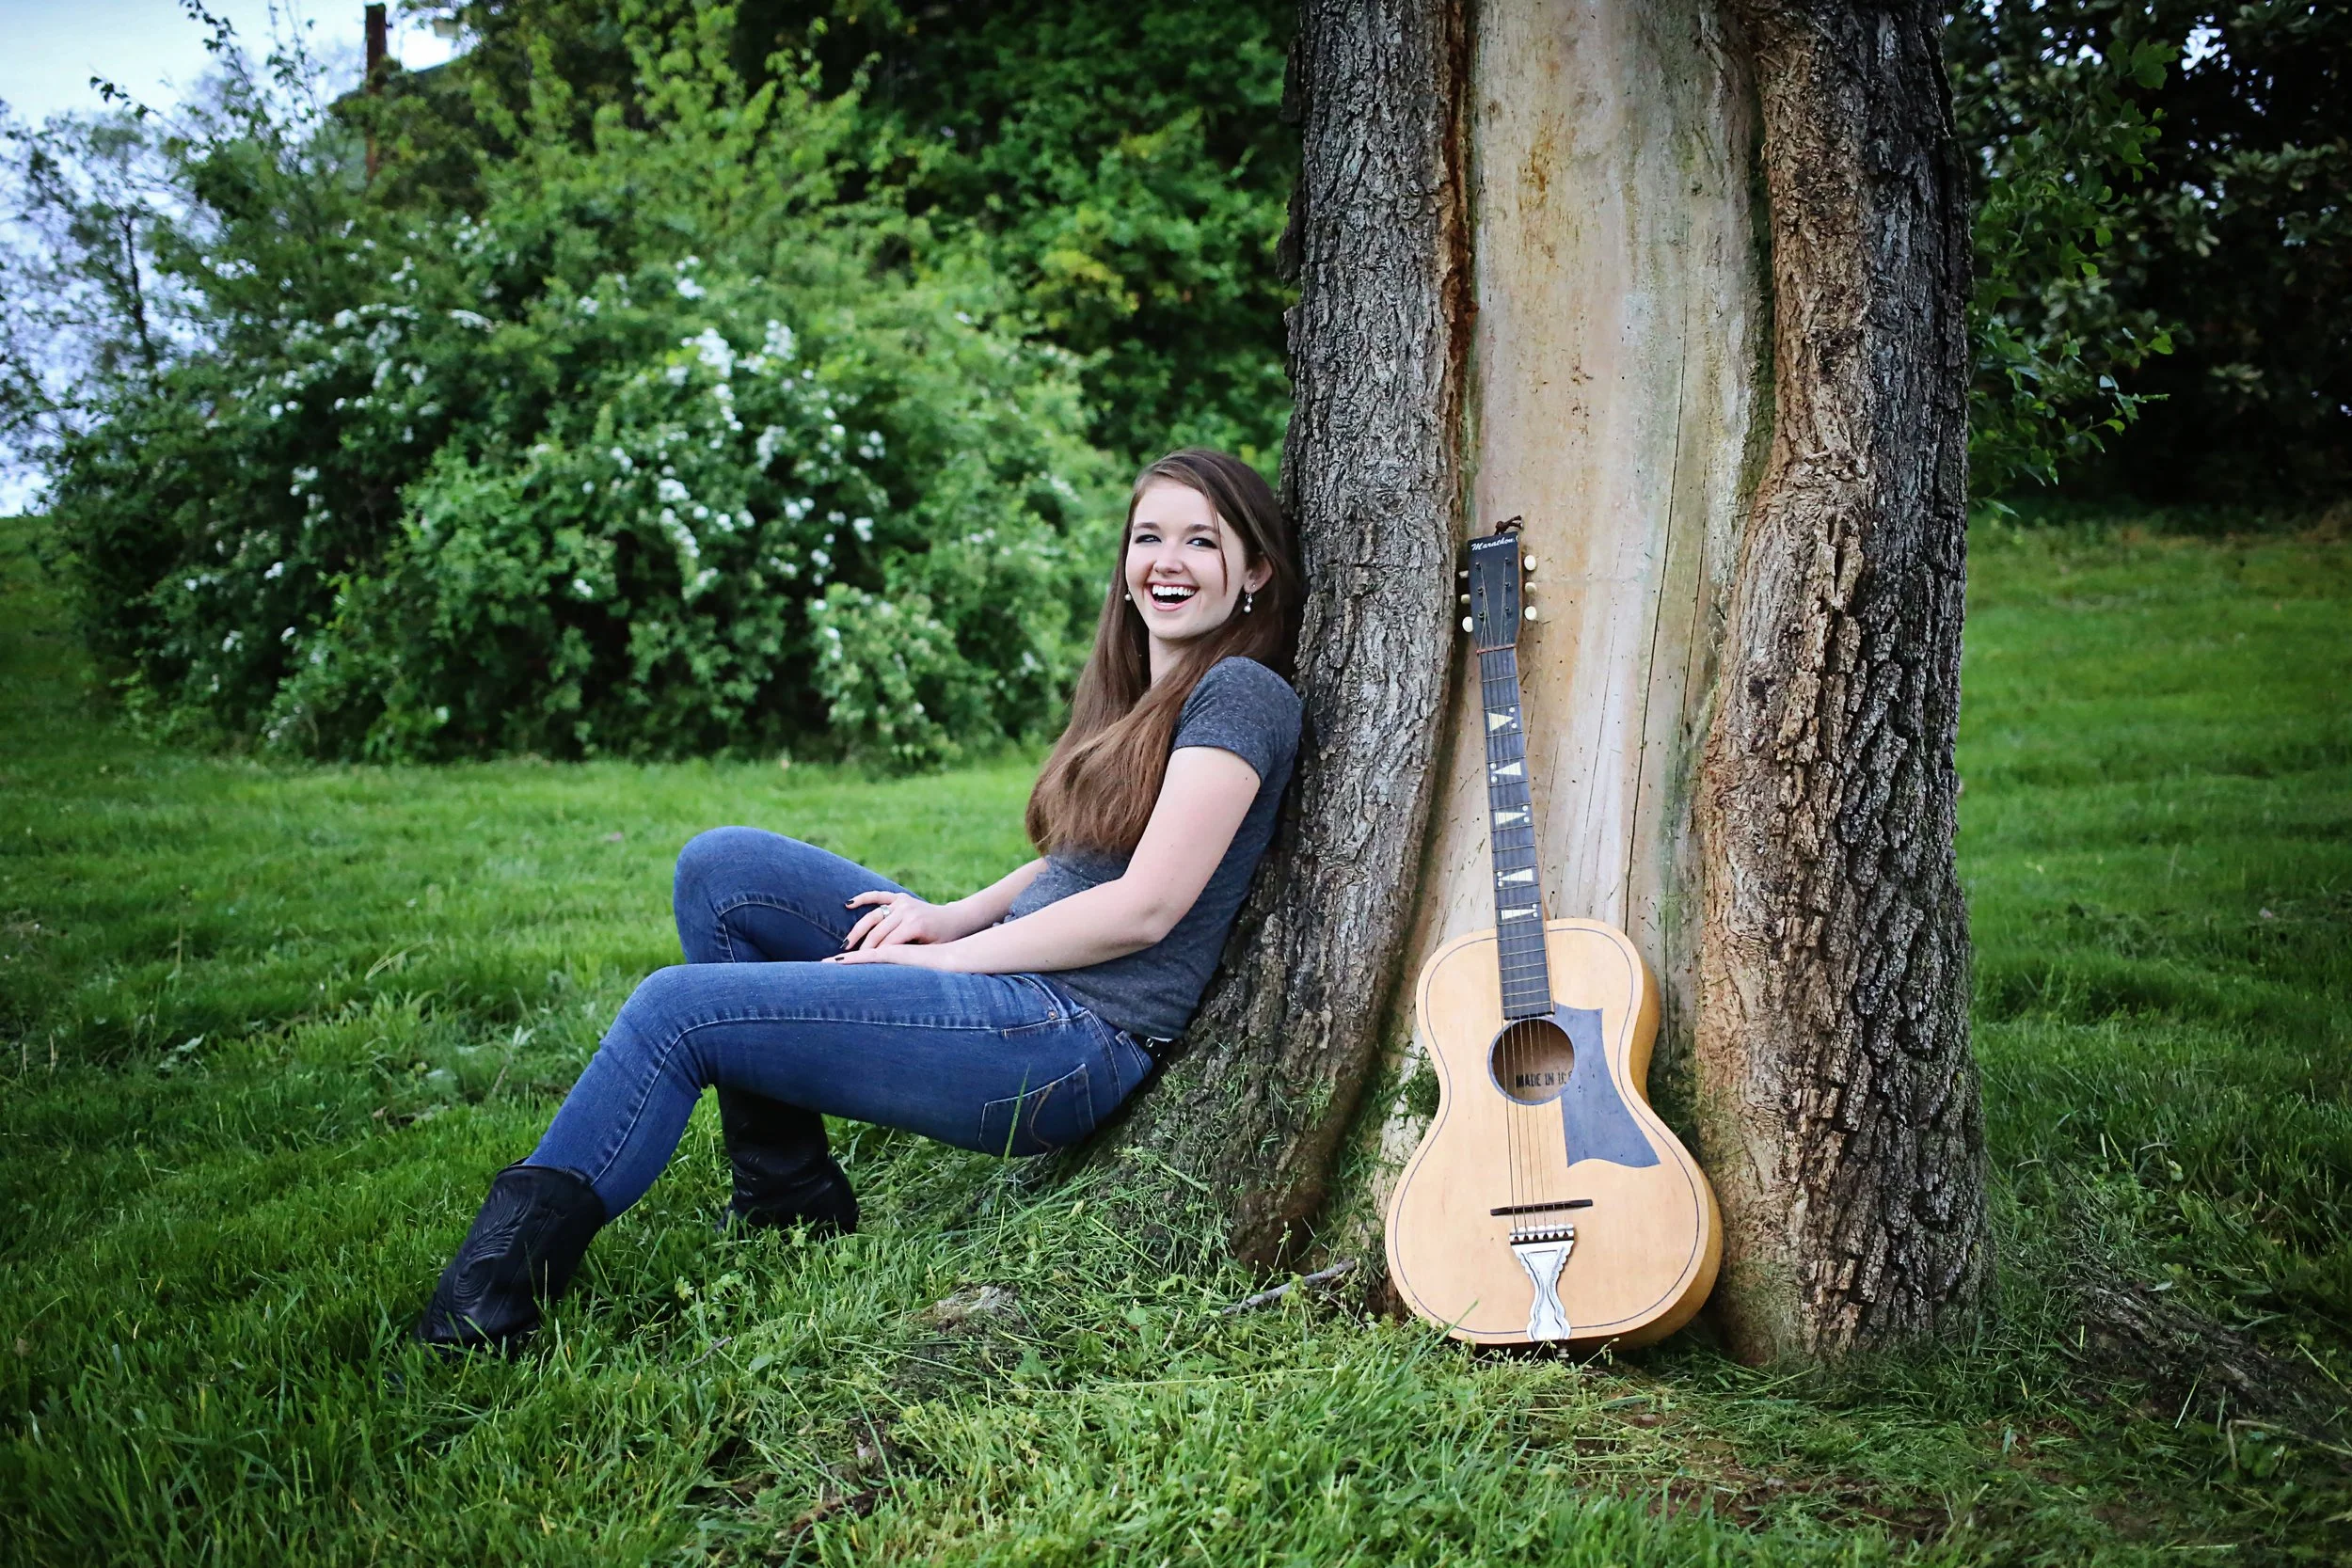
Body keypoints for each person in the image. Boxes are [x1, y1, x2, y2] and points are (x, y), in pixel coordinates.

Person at [417, 449, 1304, 1351]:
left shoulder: (1241, 693)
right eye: (1149, 535)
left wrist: (944, 956)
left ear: (1256, 571)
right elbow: (1085, 860)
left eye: (1202, 540)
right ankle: (788, 1195)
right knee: (722, 869)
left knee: (675, 1012)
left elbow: (1142, 907)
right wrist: (952, 914)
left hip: (1071, 1037)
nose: (1168, 560)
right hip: (1023, 977)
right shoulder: (1143, 694)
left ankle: (480, 1310)